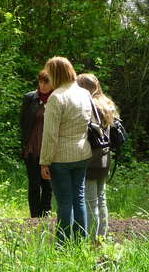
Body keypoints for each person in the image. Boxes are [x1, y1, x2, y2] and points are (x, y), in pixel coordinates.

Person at [39, 57, 93, 245]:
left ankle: (63, 244)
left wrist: (44, 161)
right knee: (78, 198)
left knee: (64, 202)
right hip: (83, 152)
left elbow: (50, 135)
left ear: (55, 74)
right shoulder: (84, 93)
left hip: (61, 157)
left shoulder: (56, 97)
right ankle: (81, 242)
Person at [76, 73, 119, 241]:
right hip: (104, 158)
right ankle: (102, 236)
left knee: (90, 201)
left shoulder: (88, 105)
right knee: (101, 199)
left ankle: (92, 239)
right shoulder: (107, 105)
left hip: (90, 157)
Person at [20, 70, 53, 220]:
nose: (42, 85)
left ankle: (46, 214)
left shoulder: (57, 99)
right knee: (34, 184)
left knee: (48, 184)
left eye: (46, 82)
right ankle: (34, 217)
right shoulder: (30, 98)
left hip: (50, 147)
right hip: (32, 147)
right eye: (40, 82)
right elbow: (23, 122)